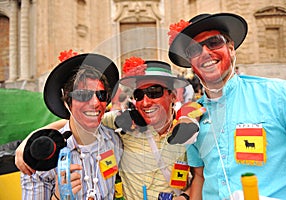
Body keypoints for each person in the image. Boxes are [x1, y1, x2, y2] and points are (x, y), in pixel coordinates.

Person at [168, 13, 286, 200]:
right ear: (191, 63)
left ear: (231, 49)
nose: (205, 52)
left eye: (214, 42)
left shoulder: (280, 96)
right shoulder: (190, 119)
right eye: (194, 50)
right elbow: (200, 176)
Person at [18, 53, 123, 199]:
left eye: (101, 95)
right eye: (83, 95)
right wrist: (58, 197)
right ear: (67, 102)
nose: (95, 103)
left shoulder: (115, 140)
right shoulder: (41, 158)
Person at [101, 57, 193, 200]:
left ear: (173, 96)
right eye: (138, 95)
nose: (145, 102)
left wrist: (185, 197)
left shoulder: (187, 130)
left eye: (154, 92)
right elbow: (85, 121)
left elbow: (202, 175)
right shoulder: (125, 123)